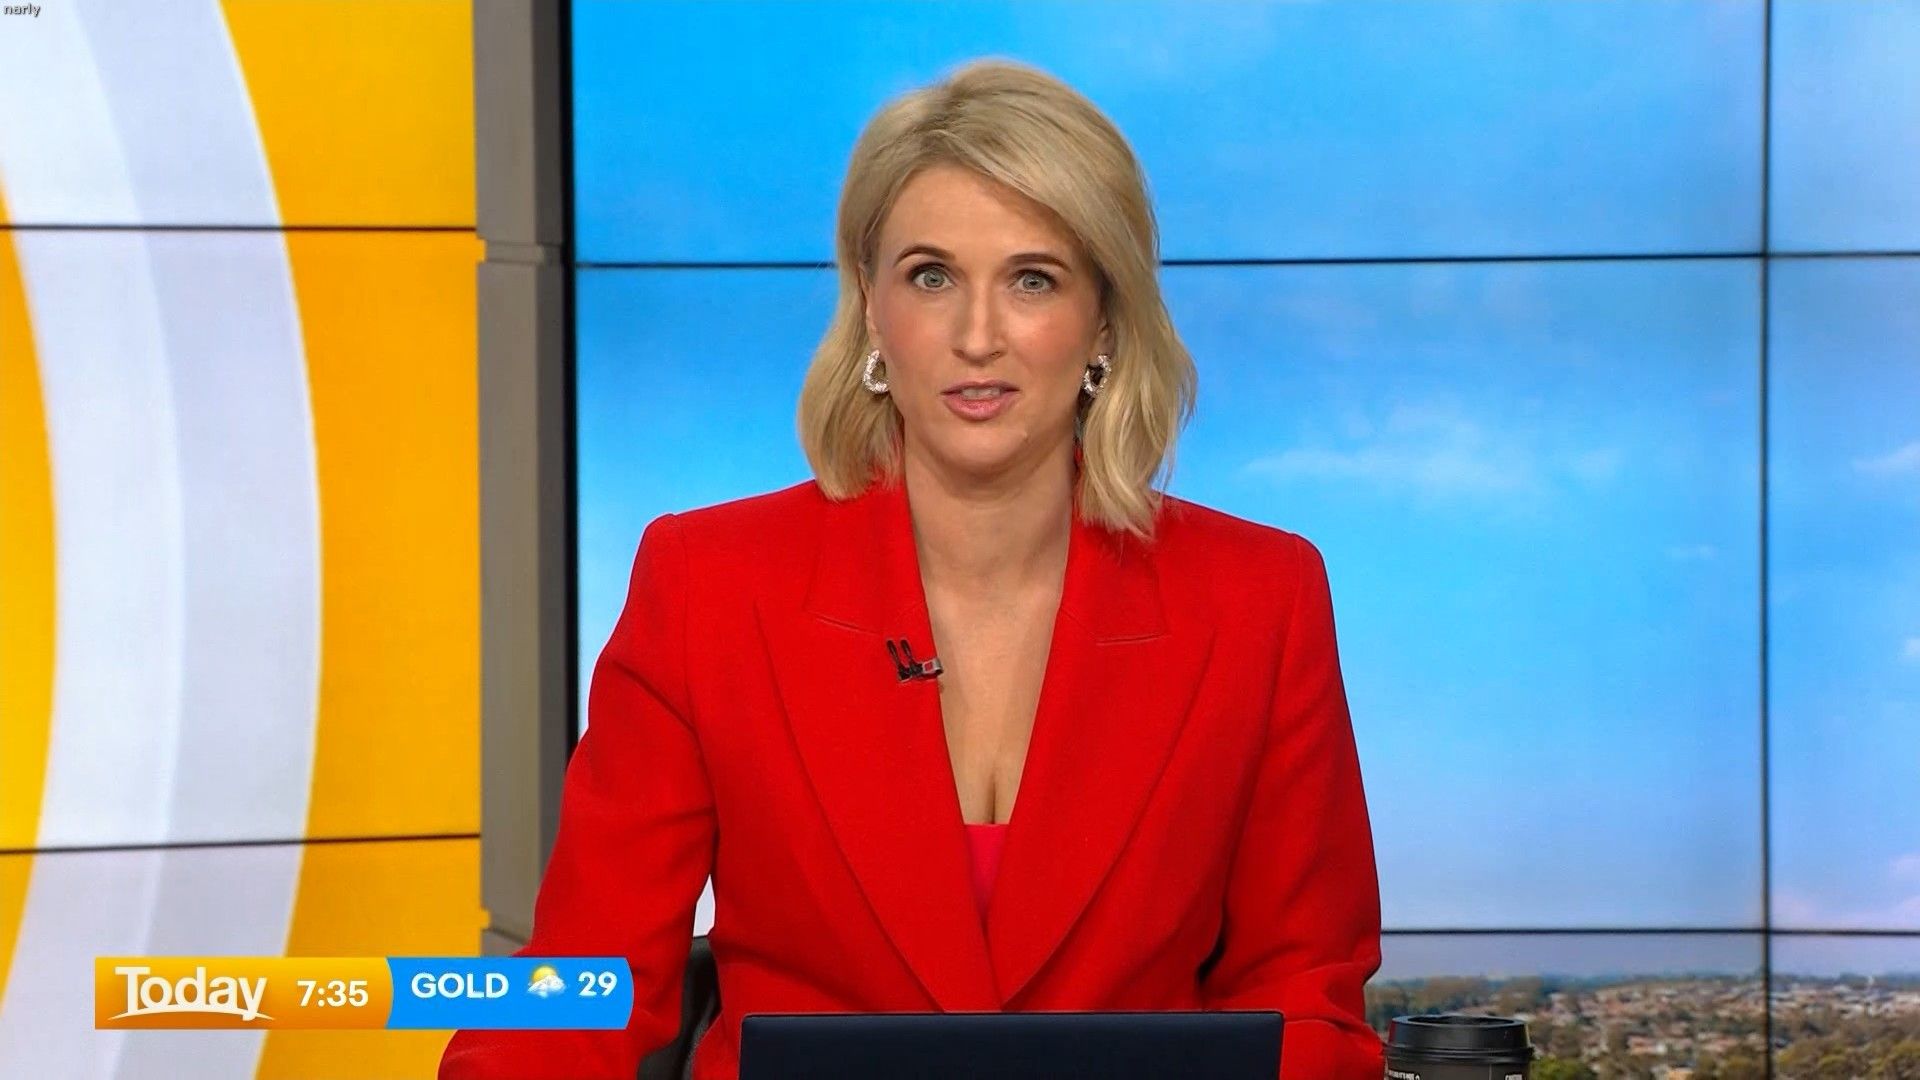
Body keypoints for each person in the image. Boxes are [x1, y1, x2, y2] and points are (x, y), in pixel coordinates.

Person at [441, 57, 1383, 1080]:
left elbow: (1307, 1007)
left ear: (1105, 322)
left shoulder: (1258, 600)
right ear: (871, 309)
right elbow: (581, 985)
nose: (978, 337)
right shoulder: (707, 586)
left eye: (1033, 279)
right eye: (931, 277)